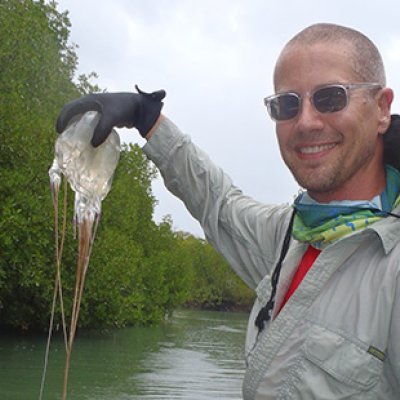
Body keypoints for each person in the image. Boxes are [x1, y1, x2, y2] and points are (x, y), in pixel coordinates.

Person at [56, 23, 400, 399]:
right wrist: (147, 118)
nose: (305, 122)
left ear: (382, 108)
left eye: (330, 98)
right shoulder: (290, 234)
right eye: (287, 104)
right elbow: (217, 203)